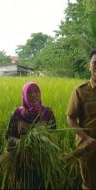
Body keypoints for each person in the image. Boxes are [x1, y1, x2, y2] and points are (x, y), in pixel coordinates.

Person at [6, 82, 56, 189]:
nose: (33, 95)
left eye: (36, 91)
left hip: (43, 164)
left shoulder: (48, 113)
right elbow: (9, 137)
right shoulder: (17, 114)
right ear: (24, 94)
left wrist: (45, 143)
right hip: (22, 164)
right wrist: (20, 143)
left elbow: (54, 137)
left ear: (40, 93)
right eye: (29, 92)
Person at [66, 49, 96, 189]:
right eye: (95, 63)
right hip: (88, 147)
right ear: (89, 66)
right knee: (89, 184)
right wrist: (86, 138)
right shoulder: (80, 90)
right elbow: (70, 118)